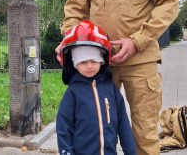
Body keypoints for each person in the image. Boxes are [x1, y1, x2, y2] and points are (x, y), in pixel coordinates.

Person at [55, 0, 180, 153]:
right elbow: (75, 8)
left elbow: (168, 3)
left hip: (140, 59)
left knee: (144, 131)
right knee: (95, 126)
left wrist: (138, 40)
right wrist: (69, 39)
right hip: (97, 63)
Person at [56, 20, 136, 155]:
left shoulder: (111, 90)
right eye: (83, 61)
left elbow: (123, 124)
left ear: (102, 60)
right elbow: (64, 126)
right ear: (74, 63)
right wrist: (66, 152)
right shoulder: (73, 92)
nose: (89, 66)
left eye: (94, 60)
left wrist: (131, 151)